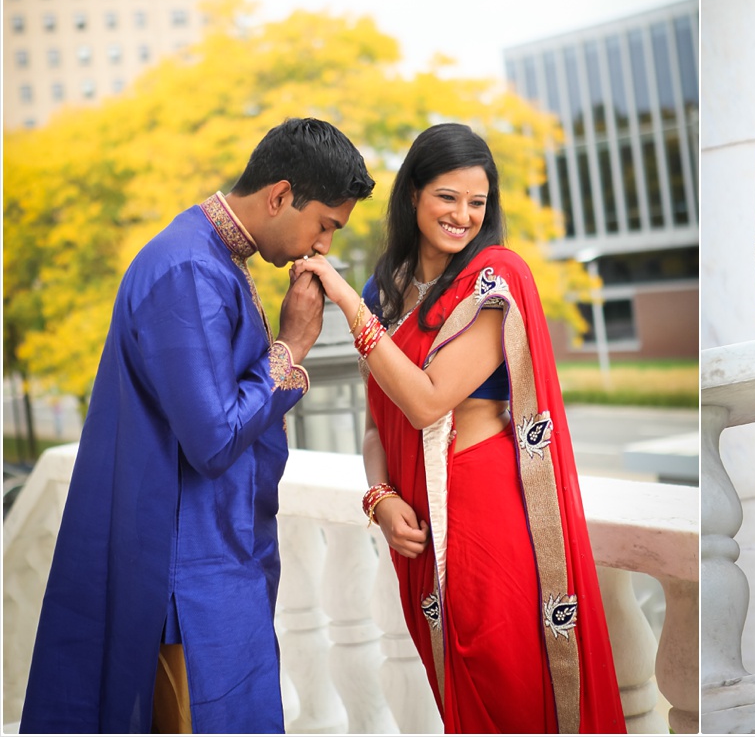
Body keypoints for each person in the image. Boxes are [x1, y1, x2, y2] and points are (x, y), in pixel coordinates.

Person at [21, 117, 376, 734]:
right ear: (279, 195)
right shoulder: (189, 268)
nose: (321, 247)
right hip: (186, 573)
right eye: (324, 225)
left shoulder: (213, 256)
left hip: (214, 551)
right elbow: (211, 439)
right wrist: (291, 346)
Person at [296, 122, 625, 734]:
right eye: (447, 196)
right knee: (457, 695)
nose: (463, 215)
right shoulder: (386, 292)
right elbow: (378, 423)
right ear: (414, 194)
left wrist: (347, 305)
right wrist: (380, 498)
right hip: (418, 517)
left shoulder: (493, 281)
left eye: (478, 202)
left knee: (503, 677)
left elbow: (426, 403)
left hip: (483, 506)